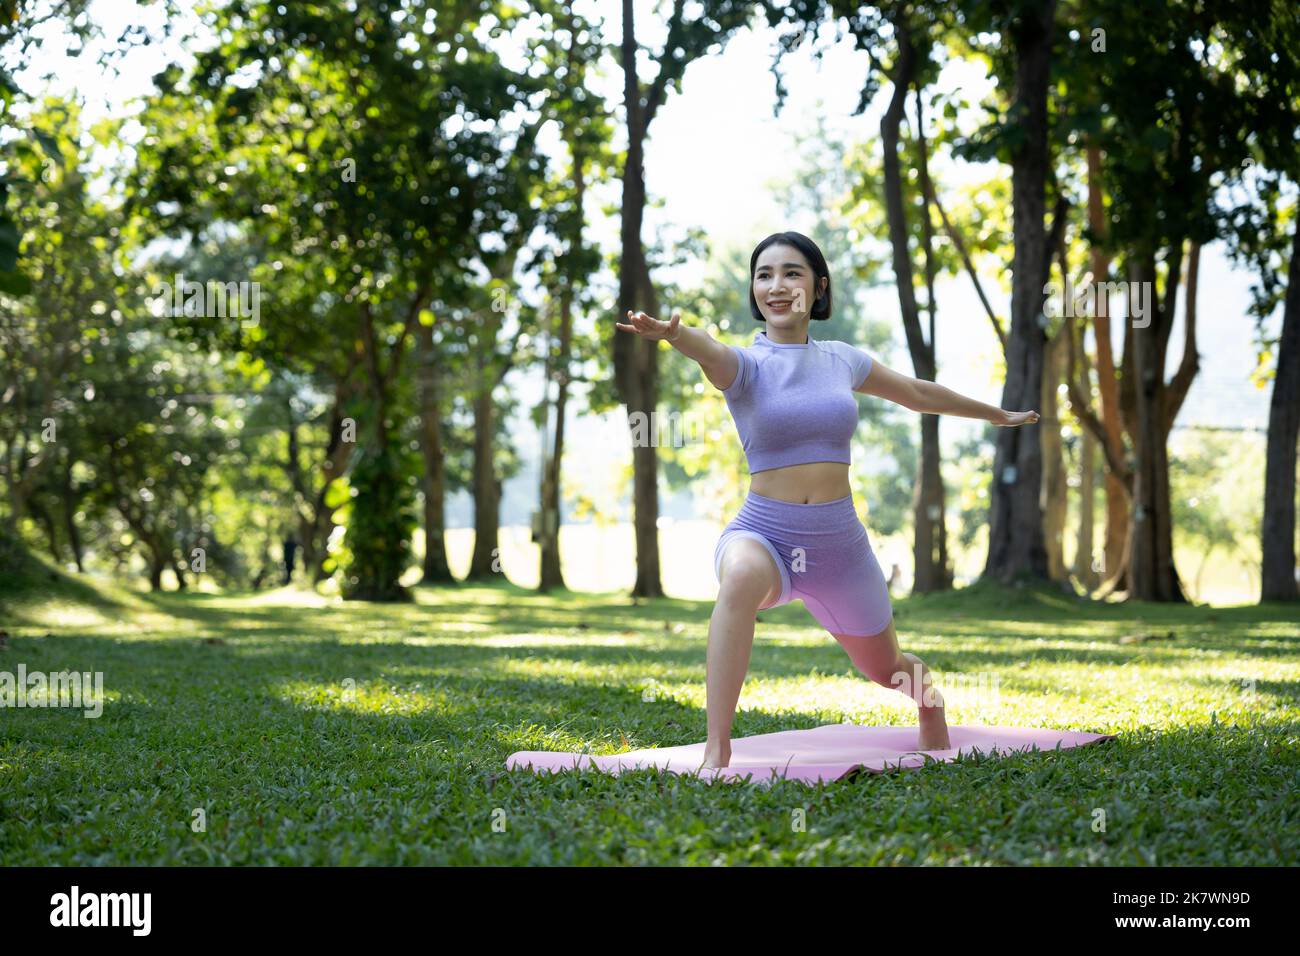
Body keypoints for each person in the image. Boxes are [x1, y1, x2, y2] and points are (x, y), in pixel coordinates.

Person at [616, 230, 1039, 770]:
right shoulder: (745, 367)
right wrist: (678, 335)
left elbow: (917, 393)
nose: (777, 286)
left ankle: (927, 699)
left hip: (838, 543)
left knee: (886, 669)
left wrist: (995, 414)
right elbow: (711, 350)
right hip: (764, 533)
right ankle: (717, 746)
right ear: (754, 290)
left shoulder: (842, 360)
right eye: (764, 274)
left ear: (818, 287)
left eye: (792, 273)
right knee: (741, 576)